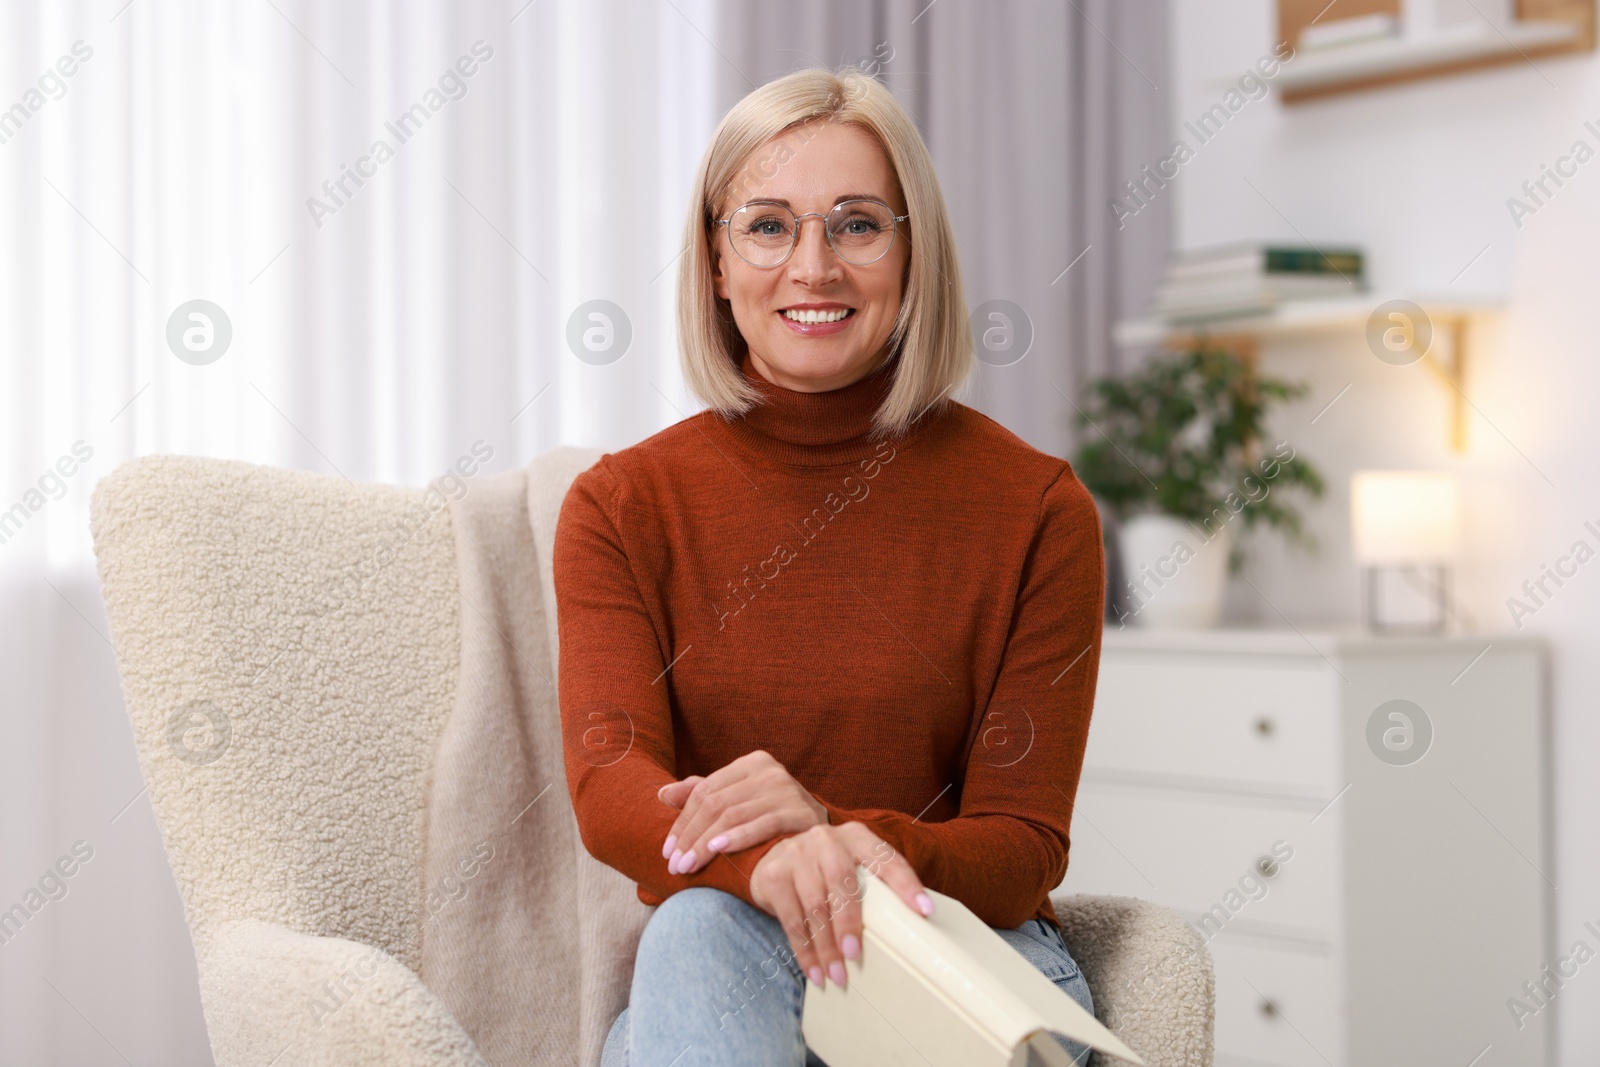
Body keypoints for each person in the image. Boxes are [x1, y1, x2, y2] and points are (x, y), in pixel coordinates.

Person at [552, 64, 1105, 1067]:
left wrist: (828, 824)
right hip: (726, 949)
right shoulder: (620, 505)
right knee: (694, 934)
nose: (813, 265)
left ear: (911, 251)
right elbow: (608, 782)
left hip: (959, 952)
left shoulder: (1038, 509)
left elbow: (1022, 848)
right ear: (717, 262)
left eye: (856, 224)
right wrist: (768, 857)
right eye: (767, 225)